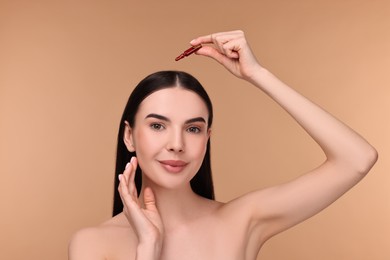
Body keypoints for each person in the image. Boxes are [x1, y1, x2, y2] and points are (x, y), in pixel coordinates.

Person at [68, 30, 378, 260]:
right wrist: (148, 248)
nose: (176, 144)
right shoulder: (92, 245)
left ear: (207, 139)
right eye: (158, 125)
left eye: (192, 128)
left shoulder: (242, 220)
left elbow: (357, 158)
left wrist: (257, 74)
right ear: (129, 136)